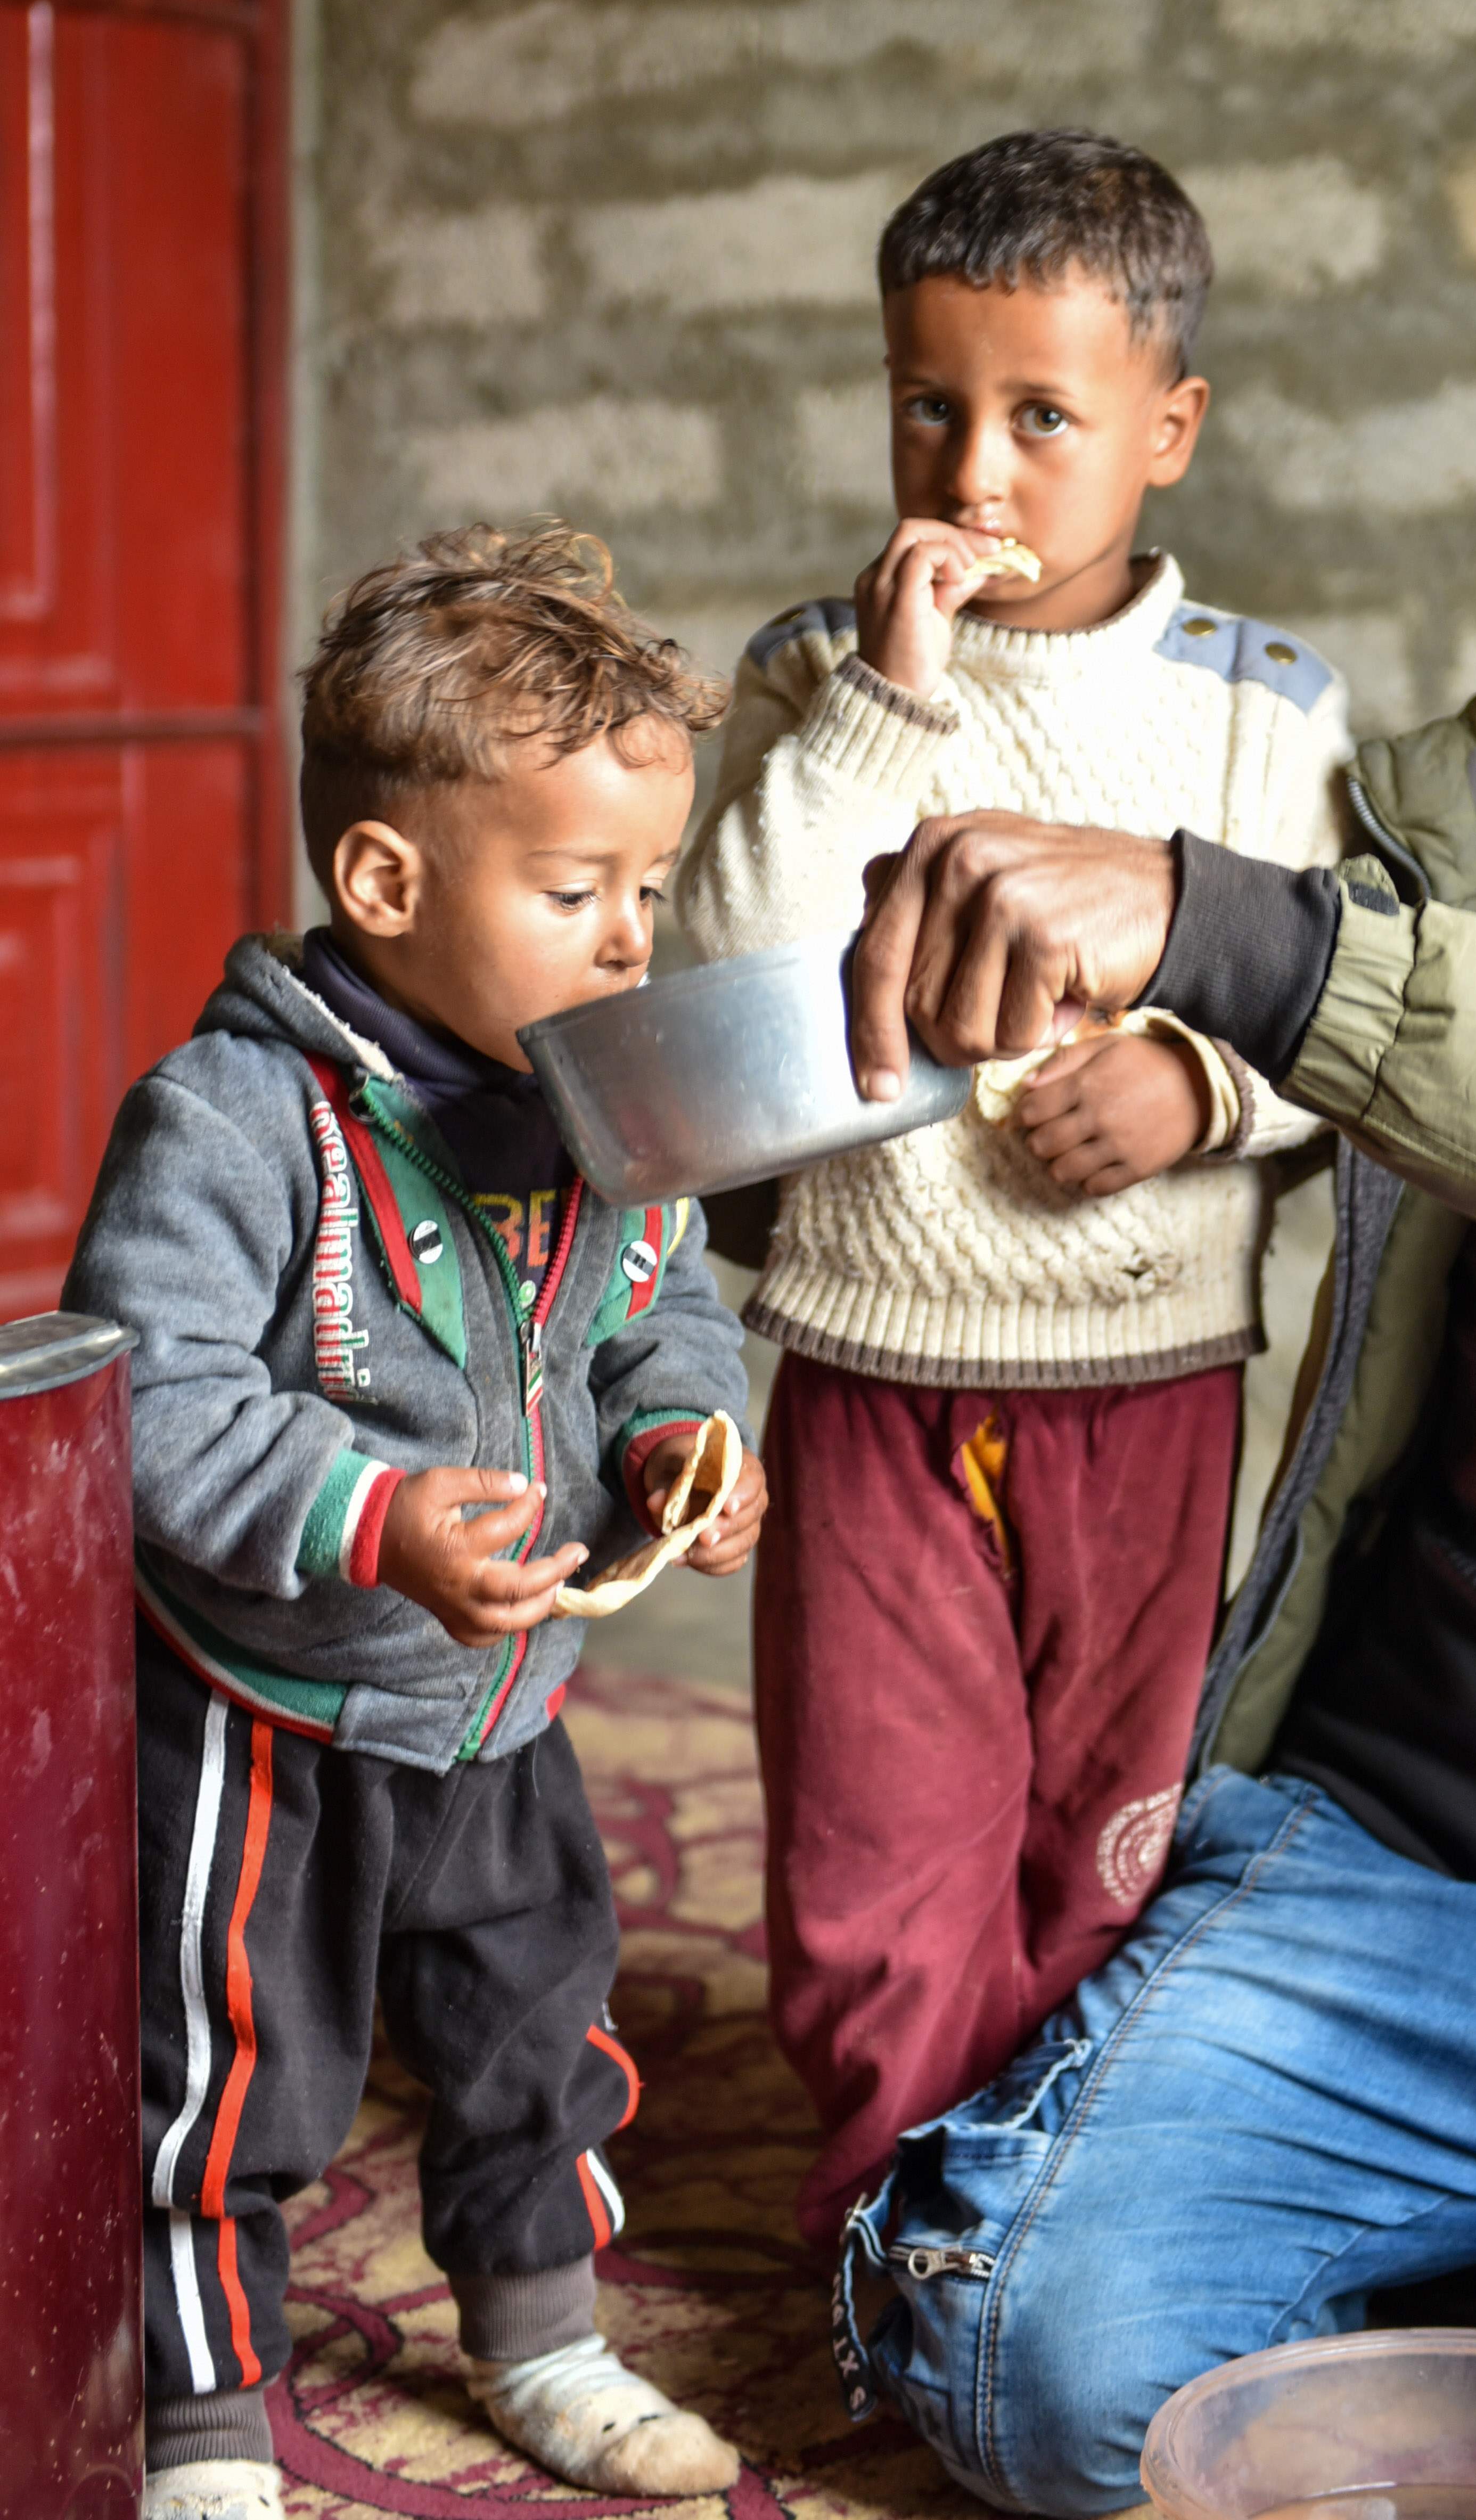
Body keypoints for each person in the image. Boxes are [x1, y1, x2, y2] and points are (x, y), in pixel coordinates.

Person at [838, 50, 1476, 2519]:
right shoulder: (1451, 798)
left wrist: (1223, 931)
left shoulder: (1329, 880)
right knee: (1026, 2365)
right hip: (1388, 1859)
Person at [675, 128, 1351, 2247]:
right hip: (874, 1368)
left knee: (1104, 1836)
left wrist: (1197, 1094)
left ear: (1165, 430)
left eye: (1041, 418)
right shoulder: (820, 676)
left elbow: (1351, 1026)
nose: (971, 471)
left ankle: (1052, 2216)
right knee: (879, 1837)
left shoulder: (1261, 714)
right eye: (926, 406)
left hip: (1148, 1386)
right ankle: (902, 2230)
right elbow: (718, 984)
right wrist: (887, 712)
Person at [65, 525, 768, 2520]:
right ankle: (203, 2416)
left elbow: (665, 1308)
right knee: (231, 2076)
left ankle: (543, 2337)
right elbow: (154, 1395)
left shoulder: (608, 1091)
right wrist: (367, 1518)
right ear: (384, 884)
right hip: (269, 1703)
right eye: (575, 891)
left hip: (504, 1700)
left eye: (649, 886)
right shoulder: (230, 1114)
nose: (634, 937)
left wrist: (682, 1443)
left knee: (537, 2034)